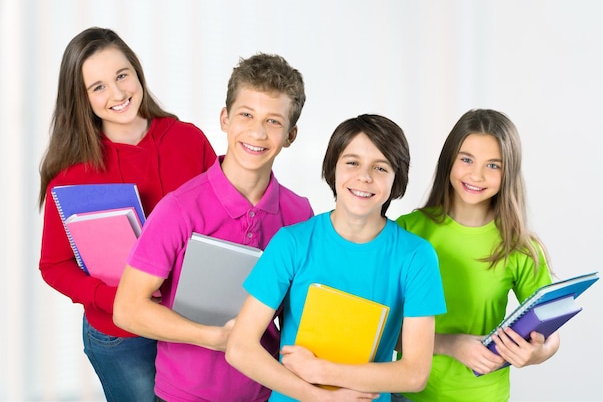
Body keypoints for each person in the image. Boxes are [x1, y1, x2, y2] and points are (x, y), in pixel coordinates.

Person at [112, 52, 314, 402]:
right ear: (225, 118)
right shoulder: (179, 208)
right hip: (184, 394)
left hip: (265, 392)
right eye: (246, 115)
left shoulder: (299, 213)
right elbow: (128, 309)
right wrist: (215, 338)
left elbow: (298, 313)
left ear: (291, 135)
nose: (256, 132)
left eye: (273, 122)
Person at [38, 27, 217, 401]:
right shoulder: (72, 177)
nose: (118, 94)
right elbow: (54, 265)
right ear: (81, 99)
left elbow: (217, 221)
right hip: (120, 336)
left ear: (137, 72)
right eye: (98, 87)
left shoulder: (187, 139)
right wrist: (111, 297)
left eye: (122, 76)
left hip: (190, 322)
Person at [226, 114, 447, 402]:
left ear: (397, 179)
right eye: (352, 162)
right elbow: (240, 348)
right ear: (333, 168)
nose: (364, 177)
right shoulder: (292, 243)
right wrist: (318, 396)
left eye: (380, 167)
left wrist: (323, 372)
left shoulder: (416, 257)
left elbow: (415, 374)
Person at [393, 109, 560, 402]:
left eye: (493, 165)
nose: (476, 175)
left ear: (509, 172)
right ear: (449, 162)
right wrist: (450, 344)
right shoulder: (409, 230)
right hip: (407, 394)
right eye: (467, 159)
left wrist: (535, 353)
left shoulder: (519, 247)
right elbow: (381, 330)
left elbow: (551, 333)